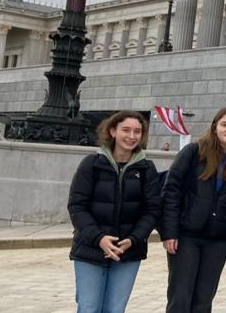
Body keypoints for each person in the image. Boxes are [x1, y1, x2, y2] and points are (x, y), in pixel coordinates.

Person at [68, 111, 162, 313]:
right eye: (126, 130)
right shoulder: (91, 164)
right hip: (90, 248)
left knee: (115, 309)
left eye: (137, 131)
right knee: (89, 307)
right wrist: (99, 238)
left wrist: (134, 239)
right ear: (112, 131)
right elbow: (77, 206)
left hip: (128, 251)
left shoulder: (146, 168)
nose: (131, 136)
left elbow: (152, 210)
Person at [161, 107, 226, 313]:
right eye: (225, 124)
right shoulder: (193, 152)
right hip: (186, 236)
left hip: (217, 241)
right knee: (180, 298)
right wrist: (170, 231)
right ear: (215, 127)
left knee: (203, 300)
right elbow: (171, 191)